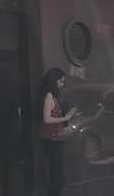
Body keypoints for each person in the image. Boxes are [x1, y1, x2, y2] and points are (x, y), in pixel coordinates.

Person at [38, 68, 78, 196]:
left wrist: (66, 117)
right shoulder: (49, 96)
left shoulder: (52, 97)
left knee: (58, 177)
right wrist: (65, 118)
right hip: (52, 141)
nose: (61, 85)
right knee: (57, 178)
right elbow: (47, 119)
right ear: (53, 81)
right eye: (60, 81)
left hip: (55, 140)